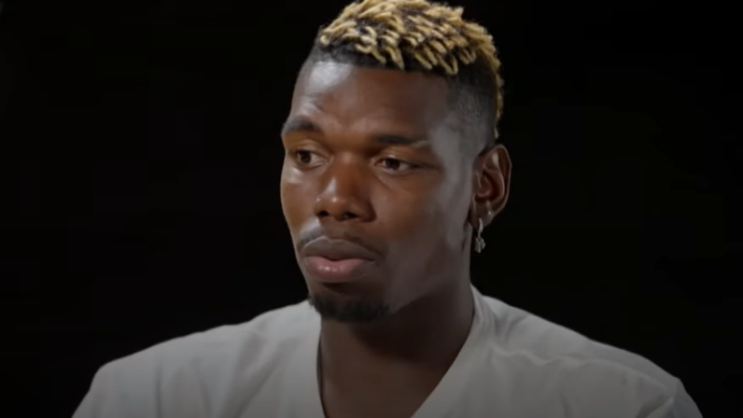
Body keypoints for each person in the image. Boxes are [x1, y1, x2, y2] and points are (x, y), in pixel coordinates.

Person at [73, 0, 702, 417]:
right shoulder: (152, 399)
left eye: (393, 162)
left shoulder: (621, 406)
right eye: (307, 155)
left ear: (486, 187)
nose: (334, 201)